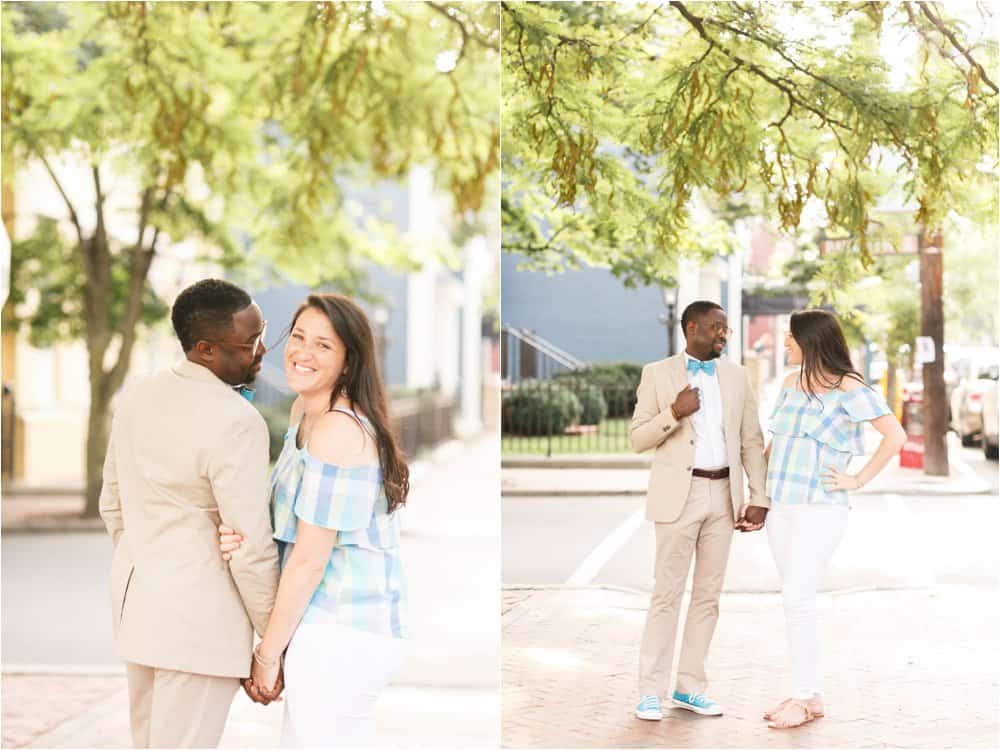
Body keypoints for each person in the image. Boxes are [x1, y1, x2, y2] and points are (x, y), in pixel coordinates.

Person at [217, 293, 409, 748]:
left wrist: (267, 655)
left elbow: (309, 561)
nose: (303, 352)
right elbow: (285, 524)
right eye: (299, 336)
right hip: (322, 631)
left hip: (344, 631)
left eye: (324, 345)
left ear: (348, 362)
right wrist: (242, 539)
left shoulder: (339, 429)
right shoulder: (306, 412)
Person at [99, 279, 280, 748]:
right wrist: (273, 640)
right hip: (201, 624)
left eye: (262, 335)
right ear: (204, 349)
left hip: (138, 611)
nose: (261, 352)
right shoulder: (236, 421)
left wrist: (155, 559)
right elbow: (250, 545)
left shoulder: (137, 395)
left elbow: (112, 505)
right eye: (248, 344)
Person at [760, 309, 905, 729]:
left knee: (797, 598)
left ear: (812, 341)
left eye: (790, 337)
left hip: (821, 509)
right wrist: (757, 498)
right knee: (794, 601)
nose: (784, 344)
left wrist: (857, 479)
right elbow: (775, 447)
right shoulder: (788, 385)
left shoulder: (849, 388)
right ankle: (810, 693)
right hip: (780, 508)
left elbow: (894, 435)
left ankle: (805, 698)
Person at [632, 300, 769, 721]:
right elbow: (638, 437)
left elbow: (750, 438)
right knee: (667, 595)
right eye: (716, 328)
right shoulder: (657, 374)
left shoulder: (737, 376)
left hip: (724, 495)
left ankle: (689, 688)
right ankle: (649, 692)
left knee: (708, 597)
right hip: (680, 495)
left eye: (725, 329)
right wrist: (674, 412)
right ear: (692, 328)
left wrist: (759, 496)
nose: (723, 335)